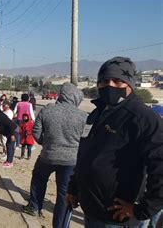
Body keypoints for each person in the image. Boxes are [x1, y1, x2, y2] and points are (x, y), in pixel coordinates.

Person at [66, 57, 163, 227]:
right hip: (92, 209)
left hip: (117, 217)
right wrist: (73, 189)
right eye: (103, 81)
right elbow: (85, 155)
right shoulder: (97, 114)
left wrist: (144, 209)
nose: (109, 85)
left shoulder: (143, 118)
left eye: (117, 81)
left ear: (130, 84)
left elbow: (160, 167)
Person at [22, 82, 87, 227]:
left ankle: (34, 207)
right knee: (64, 194)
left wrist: (46, 144)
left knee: (38, 179)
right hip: (71, 161)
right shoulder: (83, 116)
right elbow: (86, 141)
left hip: (48, 156)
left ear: (61, 94)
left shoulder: (47, 110)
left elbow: (36, 132)